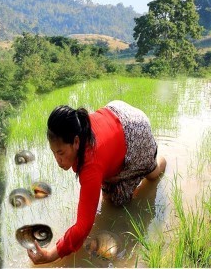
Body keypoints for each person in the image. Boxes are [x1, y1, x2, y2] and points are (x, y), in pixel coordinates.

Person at [28, 100, 167, 264]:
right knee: (110, 195)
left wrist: (50, 255)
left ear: (76, 142)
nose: (57, 160)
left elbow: (83, 227)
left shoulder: (91, 164)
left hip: (136, 131)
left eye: (61, 152)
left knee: (147, 178)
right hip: (117, 115)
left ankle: (158, 158)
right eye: (54, 153)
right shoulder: (79, 125)